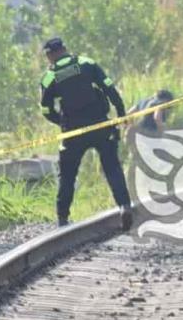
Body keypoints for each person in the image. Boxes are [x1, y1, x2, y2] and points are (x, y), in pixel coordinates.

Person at [39, 37, 132, 230]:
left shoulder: (49, 77)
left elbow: (46, 110)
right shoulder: (86, 63)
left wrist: (62, 122)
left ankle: (63, 219)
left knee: (67, 175)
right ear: (65, 48)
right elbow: (110, 89)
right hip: (100, 125)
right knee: (112, 167)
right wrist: (121, 114)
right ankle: (124, 206)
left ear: (49, 56)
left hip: (72, 132)